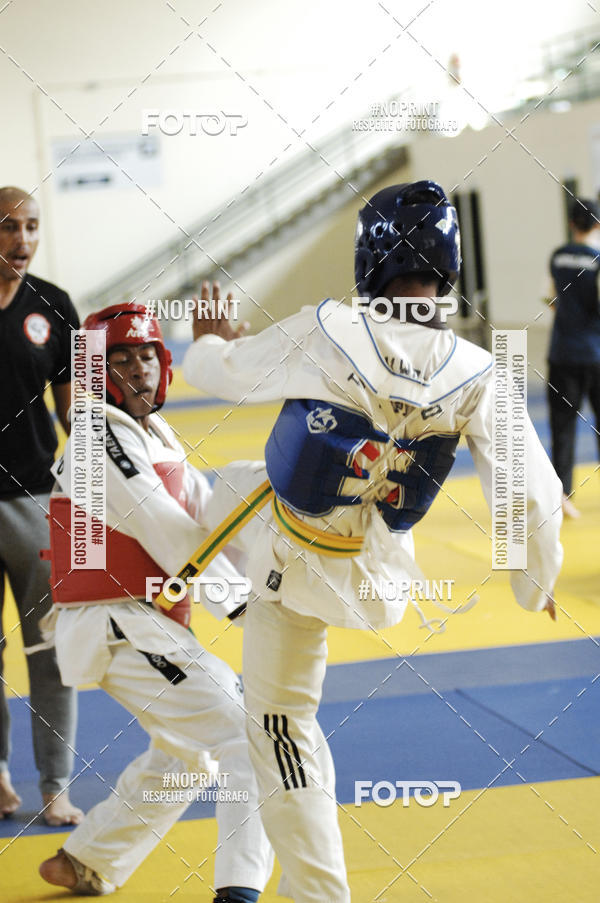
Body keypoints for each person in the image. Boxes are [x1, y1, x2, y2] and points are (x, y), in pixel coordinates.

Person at [182, 181, 564, 902]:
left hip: (292, 558)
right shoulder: (478, 369)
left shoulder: (327, 326)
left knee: (277, 725)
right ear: (449, 261)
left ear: (370, 254)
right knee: (227, 500)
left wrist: (208, 336)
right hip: (378, 567)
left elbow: (222, 374)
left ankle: (319, 893)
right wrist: (534, 582)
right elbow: (531, 495)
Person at [38, 304, 273, 902]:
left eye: (147, 356)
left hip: (147, 621)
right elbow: (165, 530)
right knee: (251, 734)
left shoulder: (154, 433)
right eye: (120, 359)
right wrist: (246, 608)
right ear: (94, 371)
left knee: (188, 757)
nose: (138, 369)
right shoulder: (95, 435)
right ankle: (239, 891)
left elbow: (209, 518)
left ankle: (87, 860)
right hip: (114, 622)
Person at [0, 185, 82, 825]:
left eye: (30, 226)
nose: (21, 240)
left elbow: (77, 415)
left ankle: (55, 785)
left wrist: (91, 497)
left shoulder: (54, 307)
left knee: (49, 650)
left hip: (36, 500)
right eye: (7, 228)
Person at [546, 196, 600, 518]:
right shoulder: (598, 259)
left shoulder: (556, 256)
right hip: (595, 353)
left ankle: (562, 494)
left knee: (562, 427)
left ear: (571, 224)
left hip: (562, 351)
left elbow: (551, 299)